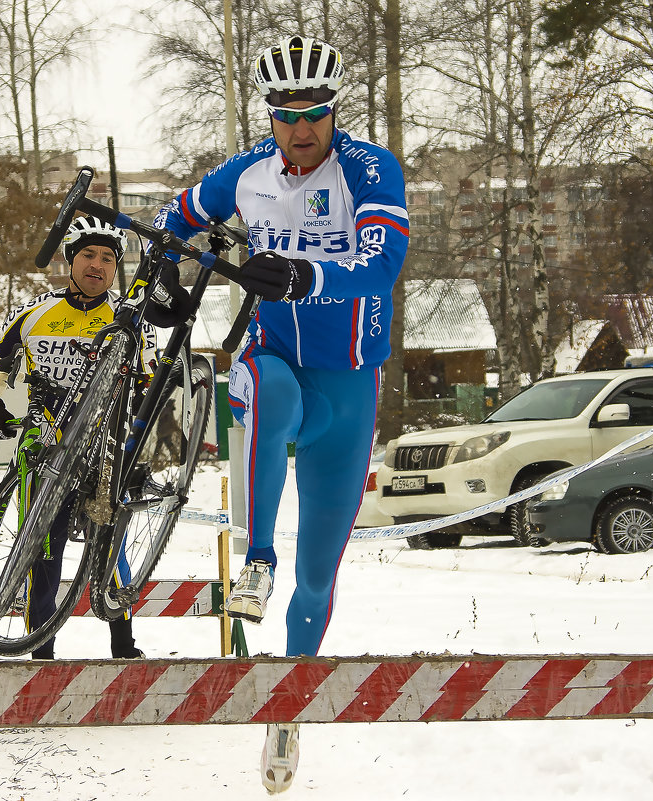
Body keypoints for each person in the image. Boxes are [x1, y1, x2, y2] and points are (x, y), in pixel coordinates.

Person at [153, 36, 409, 793]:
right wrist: (166, 259)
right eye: (288, 115)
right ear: (271, 115)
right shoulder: (248, 173)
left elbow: (382, 262)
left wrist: (304, 273)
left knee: (319, 577)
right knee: (259, 386)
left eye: (316, 115)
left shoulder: (368, 170)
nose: (301, 130)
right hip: (277, 364)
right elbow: (177, 213)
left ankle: (287, 708)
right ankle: (254, 557)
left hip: (350, 387)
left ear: (335, 113)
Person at [0, 215, 157, 660]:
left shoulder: (129, 321)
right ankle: (42, 654)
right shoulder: (37, 312)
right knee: (41, 552)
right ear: (70, 260)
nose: (98, 265)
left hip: (103, 451)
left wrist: (137, 444)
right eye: (88, 255)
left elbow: (151, 384)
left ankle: (123, 646)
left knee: (110, 551)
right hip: (42, 448)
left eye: (108, 258)